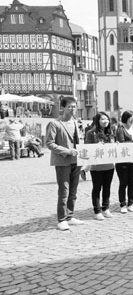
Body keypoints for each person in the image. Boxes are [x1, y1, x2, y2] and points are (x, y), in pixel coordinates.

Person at [45, 96, 84, 231]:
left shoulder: (76, 123)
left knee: (73, 191)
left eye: (74, 106)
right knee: (64, 191)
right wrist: (67, 151)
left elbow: (80, 143)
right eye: (70, 107)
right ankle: (61, 219)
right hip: (62, 162)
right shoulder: (54, 123)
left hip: (76, 161)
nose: (73, 109)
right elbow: (49, 143)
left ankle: (70, 216)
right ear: (63, 108)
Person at [85, 112, 115, 221]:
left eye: (107, 119)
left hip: (109, 165)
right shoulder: (91, 133)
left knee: (107, 187)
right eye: (102, 119)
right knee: (97, 188)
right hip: (96, 166)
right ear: (97, 121)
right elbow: (87, 148)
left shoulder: (111, 133)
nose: (105, 121)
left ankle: (106, 208)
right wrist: (96, 147)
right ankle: (97, 210)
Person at [115, 111, 133, 214]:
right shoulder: (120, 129)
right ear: (125, 118)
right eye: (131, 118)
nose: (132, 120)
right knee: (123, 183)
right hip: (123, 162)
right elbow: (122, 143)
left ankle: (130, 203)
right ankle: (122, 204)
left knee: (131, 182)